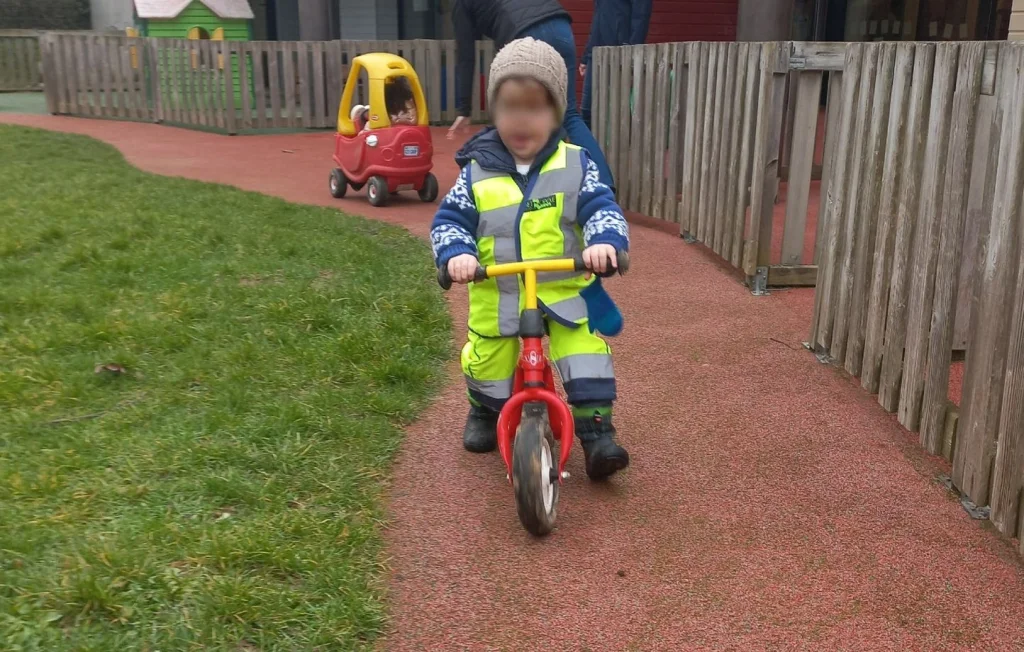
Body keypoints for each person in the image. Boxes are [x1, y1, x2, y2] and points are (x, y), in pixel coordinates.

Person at [430, 38, 631, 480]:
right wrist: (456, 254)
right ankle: (484, 409)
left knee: (585, 353)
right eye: (509, 108)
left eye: (535, 108)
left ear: (557, 113)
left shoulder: (577, 164)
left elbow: (601, 207)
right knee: (488, 360)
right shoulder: (476, 172)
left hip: (561, 289)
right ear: (494, 112)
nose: (521, 121)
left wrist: (605, 243)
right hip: (498, 291)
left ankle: (597, 433)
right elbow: (449, 220)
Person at [447, 0, 616, 192]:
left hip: (523, 34)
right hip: (559, 23)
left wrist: (464, 108)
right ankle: (604, 187)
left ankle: (522, 189)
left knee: (518, 116)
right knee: (568, 115)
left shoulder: (462, 5)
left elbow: (466, 56)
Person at [580, 0, 652, 128]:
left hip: (620, 55)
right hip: (596, 55)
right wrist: (586, 56)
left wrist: (630, 53)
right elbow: (597, 20)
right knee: (587, 111)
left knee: (616, 112)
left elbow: (641, 18)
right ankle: (591, 148)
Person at [350, 76, 418, 132]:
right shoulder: (409, 102)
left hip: (386, 134)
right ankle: (364, 112)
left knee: (365, 117)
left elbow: (366, 134)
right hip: (407, 131)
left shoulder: (383, 115)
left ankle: (363, 113)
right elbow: (414, 120)